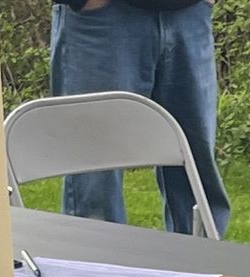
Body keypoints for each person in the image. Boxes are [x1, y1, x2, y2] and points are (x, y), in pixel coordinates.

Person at [51, 0, 231, 237]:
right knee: (95, 175)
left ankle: (204, 268)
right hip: (102, 19)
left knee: (197, 166)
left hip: (189, 15)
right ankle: (101, 270)